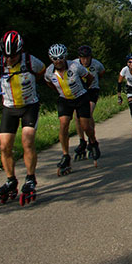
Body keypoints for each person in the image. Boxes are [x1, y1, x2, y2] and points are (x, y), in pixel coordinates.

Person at [0, 30, 45, 205]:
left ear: (20, 51)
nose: (10, 59)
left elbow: (41, 71)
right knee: (4, 146)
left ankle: (30, 178)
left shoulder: (30, 61)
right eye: (7, 55)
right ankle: (11, 180)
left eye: (14, 56)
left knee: (27, 141)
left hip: (29, 106)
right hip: (9, 107)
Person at [44, 43, 98, 175]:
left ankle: (93, 142)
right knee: (63, 125)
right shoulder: (50, 71)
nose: (58, 61)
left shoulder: (75, 66)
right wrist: (59, 91)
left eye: (61, 58)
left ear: (65, 57)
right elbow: (48, 82)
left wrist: (85, 88)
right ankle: (65, 155)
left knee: (85, 126)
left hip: (81, 97)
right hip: (65, 99)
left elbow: (90, 77)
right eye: (55, 59)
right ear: (51, 59)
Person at [74, 45, 106, 159]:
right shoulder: (74, 64)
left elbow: (102, 73)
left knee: (88, 113)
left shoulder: (96, 64)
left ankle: (92, 140)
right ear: (79, 58)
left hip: (92, 89)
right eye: (83, 58)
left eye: (87, 57)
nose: (85, 60)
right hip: (79, 91)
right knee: (77, 117)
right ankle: (82, 140)